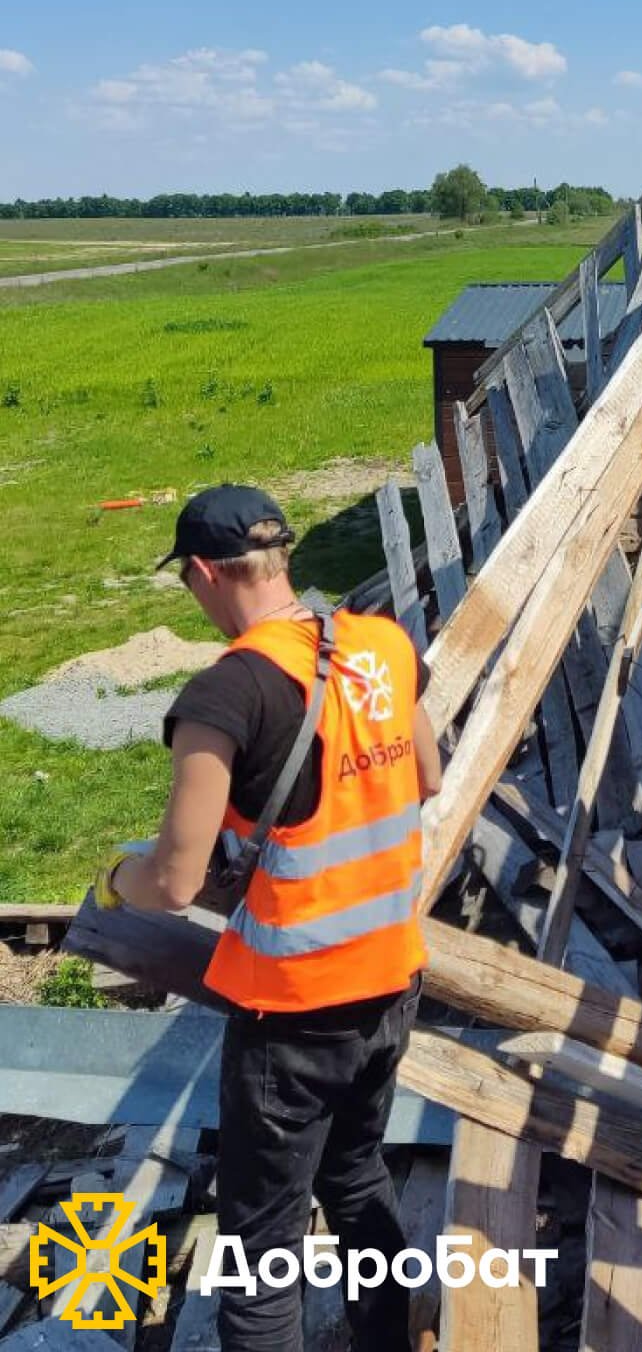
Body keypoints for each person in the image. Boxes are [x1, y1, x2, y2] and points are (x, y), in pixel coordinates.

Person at [91, 484, 443, 1352]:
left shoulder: (229, 691)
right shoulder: (382, 646)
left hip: (292, 1015)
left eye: (189, 583)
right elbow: (427, 777)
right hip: (392, 983)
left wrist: (112, 883)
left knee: (261, 1256)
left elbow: (173, 882)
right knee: (358, 1180)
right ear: (280, 558)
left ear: (207, 572)